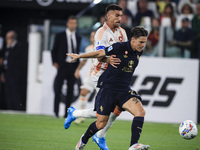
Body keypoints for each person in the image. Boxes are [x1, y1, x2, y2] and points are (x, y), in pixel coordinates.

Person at [67, 26, 150, 150]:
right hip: (108, 89)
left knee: (140, 112)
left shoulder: (138, 51)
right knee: (100, 123)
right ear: (132, 39)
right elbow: (100, 53)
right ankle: (83, 141)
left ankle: (133, 145)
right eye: (141, 42)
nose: (143, 45)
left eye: (145, 42)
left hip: (124, 90)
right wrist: (80, 56)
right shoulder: (119, 47)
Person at [64, 4, 128, 150]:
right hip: (100, 74)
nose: (120, 18)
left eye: (121, 15)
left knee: (116, 108)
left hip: (115, 75)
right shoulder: (101, 33)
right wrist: (108, 59)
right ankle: (99, 136)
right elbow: (100, 56)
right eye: (117, 15)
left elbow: (124, 52)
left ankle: (77, 115)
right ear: (108, 16)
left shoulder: (122, 32)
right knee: (104, 114)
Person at [51, 15, 82, 118]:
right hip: (62, 65)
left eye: (75, 23)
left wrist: (77, 66)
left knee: (70, 91)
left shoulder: (78, 37)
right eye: (71, 23)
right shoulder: (60, 35)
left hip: (72, 66)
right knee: (58, 89)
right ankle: (56, 112)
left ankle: (66, 113)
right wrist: (54, 61)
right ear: (67, 24)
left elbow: (77, 51)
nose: (73, 25)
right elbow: (54, 49)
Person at [73, 31, 96, 124]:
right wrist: (78, 69)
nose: (93, 38)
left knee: (103, 98)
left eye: (94, 36)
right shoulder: (89, 49)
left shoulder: (104, 48)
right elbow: (84, 61)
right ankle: (81, 116)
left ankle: (104, 118)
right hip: (92, 75)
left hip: (103, 76)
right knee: (83, 92)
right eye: (92, 36)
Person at [2, 30, 28, 111]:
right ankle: (10, 109)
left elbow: (17, 62)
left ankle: (17, 109)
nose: (7, 40)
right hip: (7, 74)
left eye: (8, 38)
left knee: (15, 93)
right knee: (8, 93)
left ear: (13, 38)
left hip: (15, 75)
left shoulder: (19, 47)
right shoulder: (7, 48)